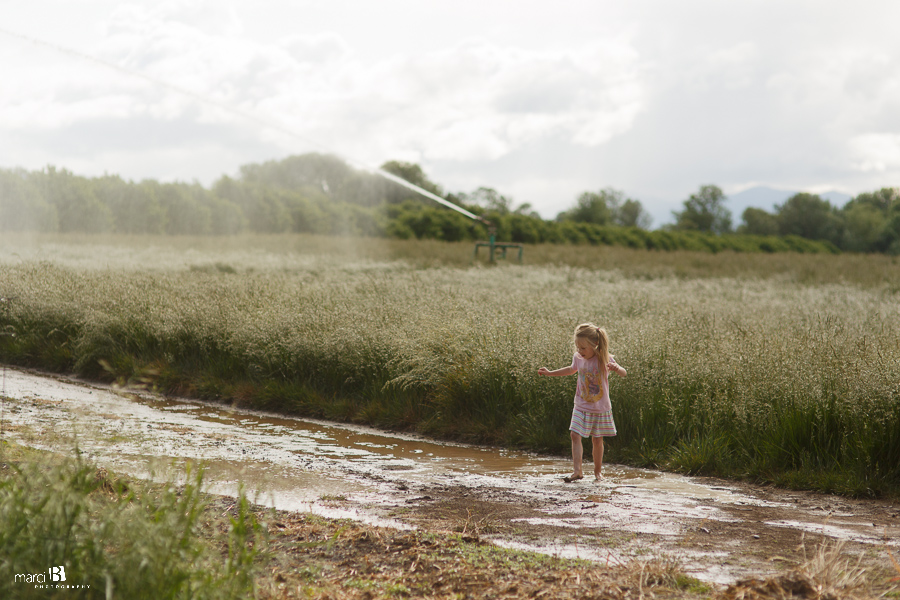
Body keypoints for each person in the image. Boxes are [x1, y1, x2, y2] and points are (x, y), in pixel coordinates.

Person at [538, 323, 626, 482]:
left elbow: (624, 373)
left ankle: (598, 472)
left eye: (583, 348)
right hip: (581, 405)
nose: (579, 351)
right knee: (574, 434)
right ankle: (577, 471)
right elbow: (571, 370)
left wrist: (616, 368)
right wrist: (550, 373)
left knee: (597, 440)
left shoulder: (603, 358)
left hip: (600, 407)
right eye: (577, 347)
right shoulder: (578, 357)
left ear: (595, 345)